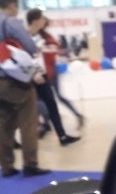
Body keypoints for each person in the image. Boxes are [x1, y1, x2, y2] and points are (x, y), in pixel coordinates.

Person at [0, 0, 50, 177]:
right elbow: (29, 46)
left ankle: (7, 166)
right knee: (28, 122)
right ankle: (30, 164)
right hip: (15, 80)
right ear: (12, 6)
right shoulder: (10, 22)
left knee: (4, 124)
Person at [25, 9, 80, 146]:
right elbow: (24, 57)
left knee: (52, 104)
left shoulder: (42, 36)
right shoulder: (24, 36)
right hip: (29, 77)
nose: (44, 20)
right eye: (41, 18)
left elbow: (50, 51)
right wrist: (34, 73)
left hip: (42, 76)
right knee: (29, 108)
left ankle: (62, 136)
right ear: (35, 21)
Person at [40, 17, 85, 128]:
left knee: (44, 98)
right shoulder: (46, 37)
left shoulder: (44, 38)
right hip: (49, 70)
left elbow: (54, 51)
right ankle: (75, 115)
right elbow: (57, 50)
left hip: (48, 71)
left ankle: (47, 121)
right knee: (53, 97)